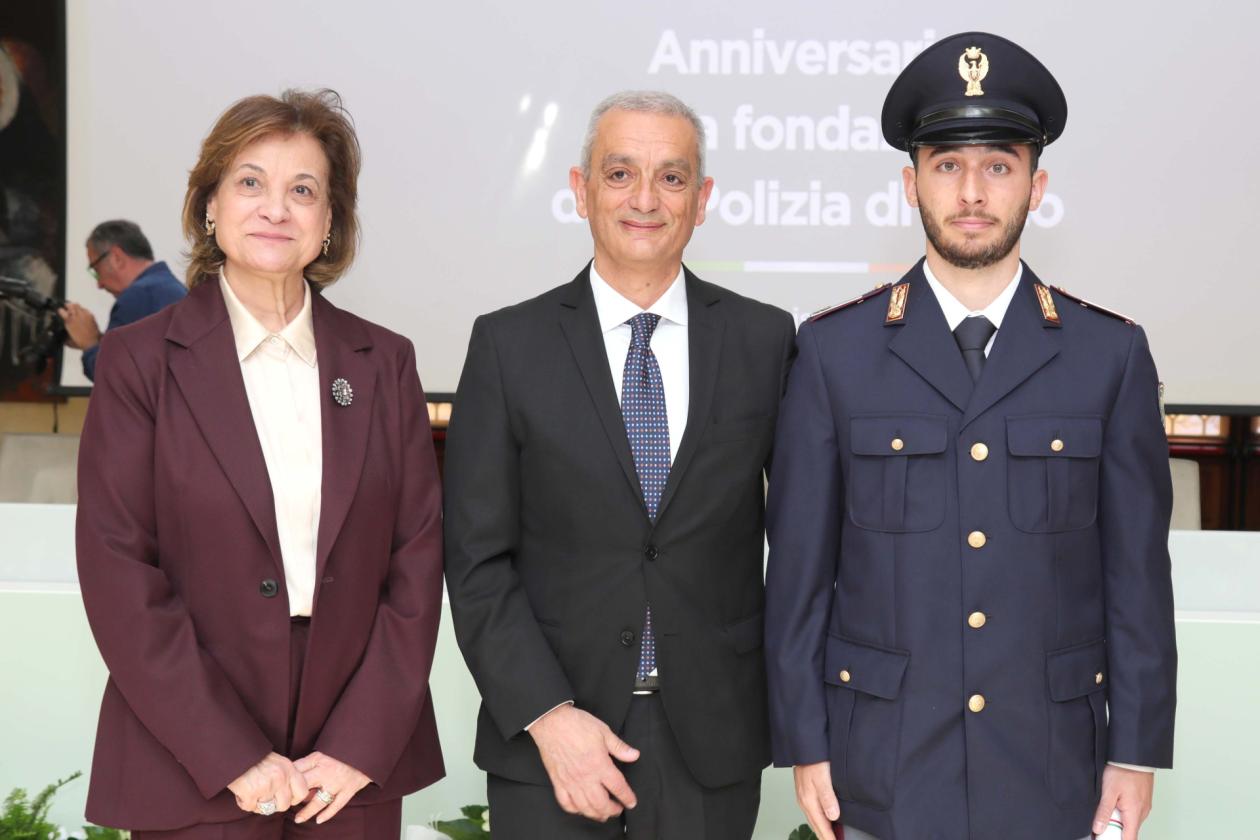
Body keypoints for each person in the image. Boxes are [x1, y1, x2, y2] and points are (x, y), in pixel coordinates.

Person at [765, 32, 1177, 840]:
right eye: (948, 165)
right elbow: (800, 577)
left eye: (999, 165)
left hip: (1051, 767)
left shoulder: (1110, 355)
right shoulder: (834, 353)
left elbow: (1136, 581)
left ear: (1037, 185)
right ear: (911, 184)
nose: (972, 192)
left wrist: (1135, 752)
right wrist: (804, 742)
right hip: (882, 766)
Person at [75, 89, 445, 838]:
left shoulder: (384, 362)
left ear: (329, 221)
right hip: (191, 756)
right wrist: (231, 754)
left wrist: (360, 744)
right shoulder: (139, 362)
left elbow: (416, 558)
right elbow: (118, 569)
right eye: (250, 183)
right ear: (210, 205)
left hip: (348, 769)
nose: (275, 208)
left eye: (302, 190)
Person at [444, 90, 796, 839]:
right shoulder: (508, 346)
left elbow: (800, 546)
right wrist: (548, 716)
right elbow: (476, 561)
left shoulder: (765, 341)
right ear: (581, 191)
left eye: (671, 178)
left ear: (702, 200)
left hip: (712, 740)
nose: (645, 199)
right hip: (551, 737)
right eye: (619, 173)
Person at [58, 220, 187, 381]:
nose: (99, 284)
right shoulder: (170, 289)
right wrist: (97, 338)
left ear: (116, 258)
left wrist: (89, 344)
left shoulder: (138, 296)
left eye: (96, 270)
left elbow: (114, 380)